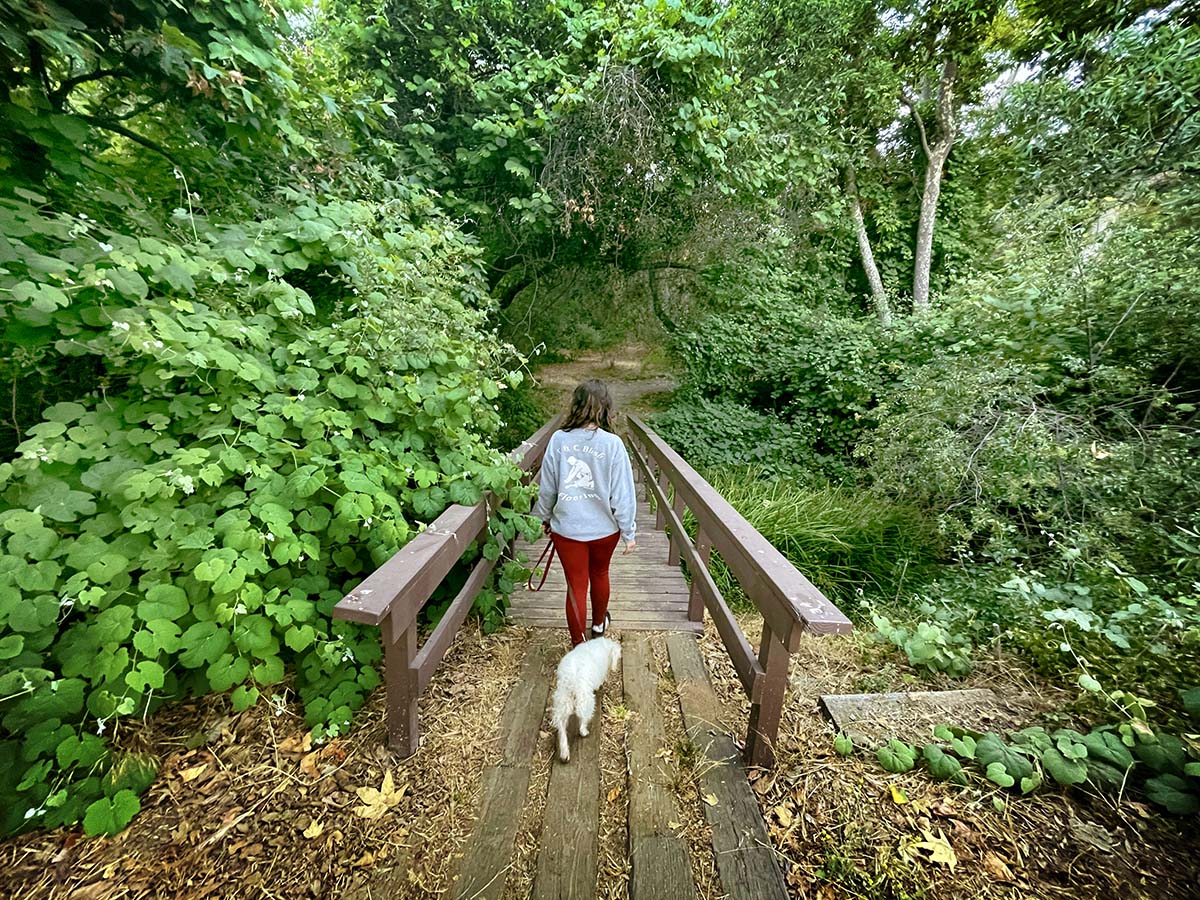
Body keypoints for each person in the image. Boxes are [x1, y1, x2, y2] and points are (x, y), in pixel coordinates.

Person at [533, 380, 637, 646]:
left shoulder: (559, 440)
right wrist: (629, 532)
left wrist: (541, 517)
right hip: (605, 530)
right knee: (600, 574)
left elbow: (547, 487)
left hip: (568, 530)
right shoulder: (612, 444)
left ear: (575, 405)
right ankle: (599, 625)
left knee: (576, 585)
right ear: (605, 409)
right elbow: (622, 494)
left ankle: (579, 646)